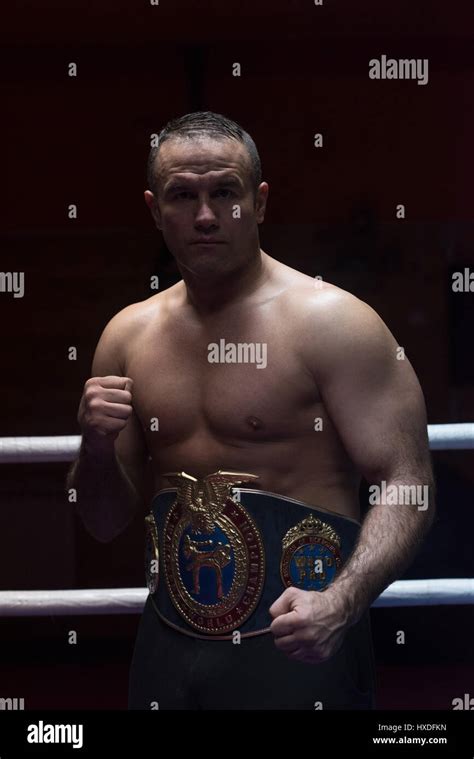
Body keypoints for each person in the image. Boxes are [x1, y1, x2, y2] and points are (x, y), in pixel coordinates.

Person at [67, 111, 435, 710]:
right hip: (168, 646)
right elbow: (104, 522)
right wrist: (96, 447)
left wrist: (342, 601)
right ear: (155, 209)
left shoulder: (335, 324)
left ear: (259, 202)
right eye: (183, 196)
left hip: (300, 645)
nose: (206, 215)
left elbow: (408, 482)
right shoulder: (126, 338)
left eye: (225, 193)